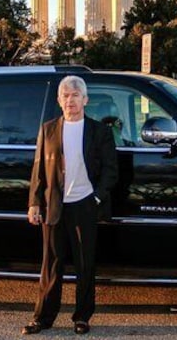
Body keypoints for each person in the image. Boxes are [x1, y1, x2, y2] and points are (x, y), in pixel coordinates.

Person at [23, 75, 119, 335]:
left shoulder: (100, 131)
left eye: (75, 95)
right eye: (65, 95)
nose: (70, 100)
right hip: (54, 206)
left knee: (84, 264)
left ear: (85, 100)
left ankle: (82, 317)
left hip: (84, 206)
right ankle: (42, 318)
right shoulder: (48, 129)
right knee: (51, 264)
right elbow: (38, 169)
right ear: (59, 100)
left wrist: (96, 197)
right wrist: (34, 203)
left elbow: (111, 170)